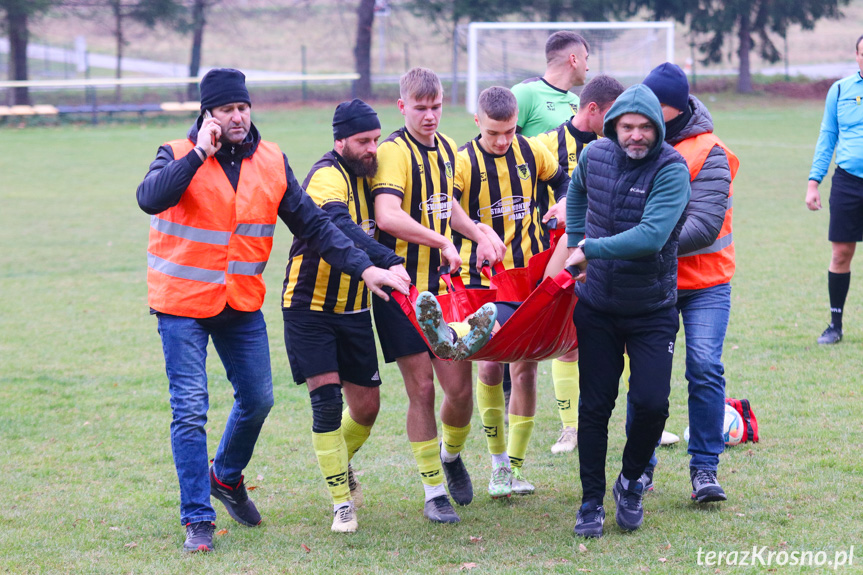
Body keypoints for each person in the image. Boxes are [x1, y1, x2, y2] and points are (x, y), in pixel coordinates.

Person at [136, 69, 408, 552]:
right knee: (190, 410)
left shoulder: (271, 160)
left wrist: (366, 269)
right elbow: (150, 198)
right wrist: (200, 152)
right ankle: (198, 519)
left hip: (239, 303)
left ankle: (227, 476)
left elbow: (317, 228)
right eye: (226, 110)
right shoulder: (176, 153)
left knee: (259, 399)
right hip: (181, 304)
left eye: (242, 107)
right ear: (207, 115)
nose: (237, 117)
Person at [370, 67, 503, 524]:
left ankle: (450, 455)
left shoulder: (448, 149)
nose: (429, 116)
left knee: (459, 391)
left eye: (436, 106)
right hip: (401, 290)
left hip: (444, 291)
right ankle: (432, 491)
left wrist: (475, 231)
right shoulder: (392, 152)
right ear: (403, 106)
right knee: (422, 389)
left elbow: (448, 204)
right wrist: (442, 241)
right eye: (420, 108)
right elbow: (387, 216)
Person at [564, 84, 691, 537]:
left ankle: (631, 481)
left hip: (652, 308)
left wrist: (588, 248)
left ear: (657, 129)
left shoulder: (672, 169)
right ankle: (590, 502)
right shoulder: (594, 155)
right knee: (595, 408)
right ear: (614, 125)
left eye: (644, 128)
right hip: (596, 306)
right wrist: (574, 236)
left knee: (652, 404)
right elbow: (575, 192)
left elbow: (652, 236)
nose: (635, 136)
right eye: (627, 127)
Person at [281, 100, 412, 533]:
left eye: (376, 139)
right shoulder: (326, 176)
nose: (372, 148)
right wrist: (388, 260)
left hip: (354, 308)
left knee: (368, 408)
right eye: (362, 141)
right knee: (326, 402)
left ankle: (339, 464)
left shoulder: (370, 175)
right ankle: (341, 503)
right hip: (309, 307)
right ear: (340, 141)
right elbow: (339, 228)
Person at [451, 86, 570, 499]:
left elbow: (565, 182)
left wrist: (564, 204)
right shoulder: (463, 161)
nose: (502, 141)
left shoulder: (533, 151)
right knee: (489, 366)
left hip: (527, 272)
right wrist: (478, 231)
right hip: (480, 277)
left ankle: (513, 469)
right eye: (493, 133)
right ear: (477, 123)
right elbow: (444, 204)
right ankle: (498, 463)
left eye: (509, 131)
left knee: (527, 366)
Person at [636, 63, 739, 503]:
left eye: (657, 108)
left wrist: (642, 237)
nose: (647, 117)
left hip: (706, 285)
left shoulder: (709, 150)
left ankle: (704, 470)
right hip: (654, 282)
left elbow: (704, 225)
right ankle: (639, 469)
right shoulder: (636, 143)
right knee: (647, 378)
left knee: (703, 367)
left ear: (676, 109)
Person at [534, 74, 625, 455]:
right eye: (614, 115)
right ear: (593, 109)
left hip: (607, 250)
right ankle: (569, 428)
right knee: (567, 344)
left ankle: (643, 419)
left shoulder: (621, 143)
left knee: (625, 336)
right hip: (562, 253)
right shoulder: (544, 144)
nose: (623, 124)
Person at [806, 34, 863, 345]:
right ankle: (835, 324)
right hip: (848, 182)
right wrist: (814, 182)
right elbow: (827, 137)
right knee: (841, 253)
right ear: (856, 56)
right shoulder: (840, 90)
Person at [511, 31, 590, 138]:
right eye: (585, 59)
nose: (587, 68)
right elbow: (496, 144)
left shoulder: (576, 101)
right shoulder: (525, 93)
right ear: (574, 60)